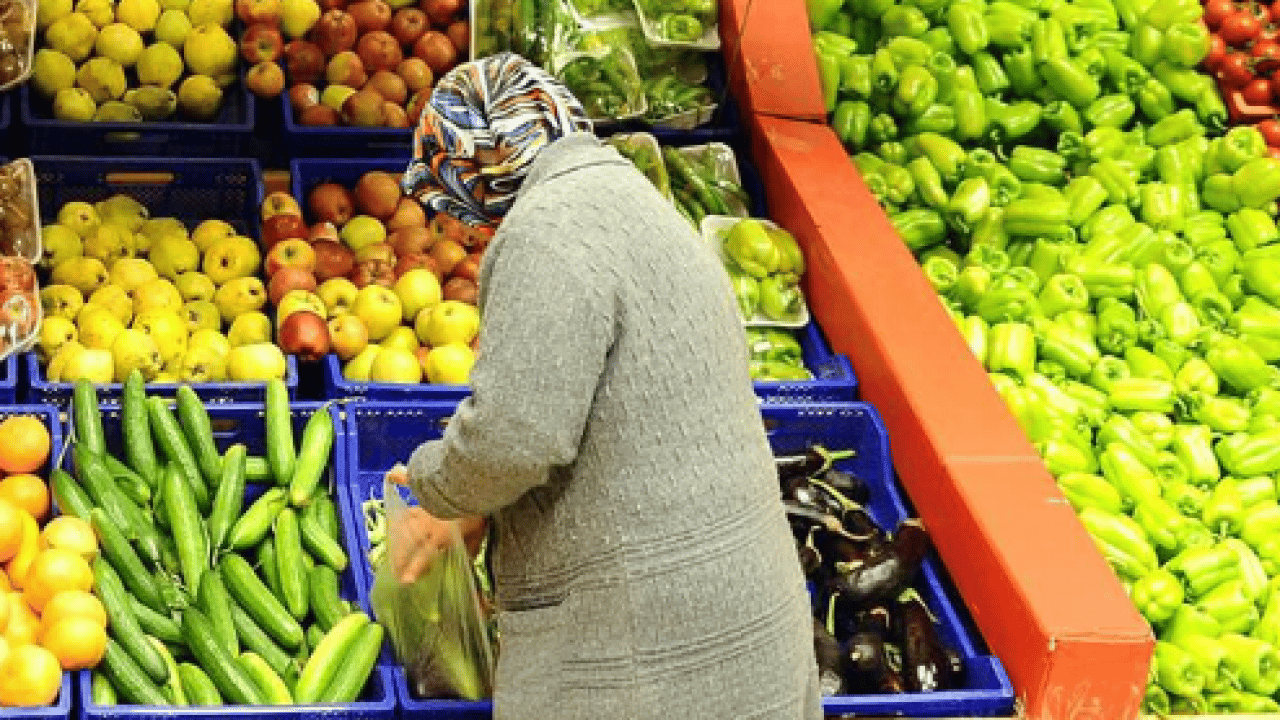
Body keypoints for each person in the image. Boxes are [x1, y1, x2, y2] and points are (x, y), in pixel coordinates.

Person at [391, 52, 822, 720]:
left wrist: (437, 487)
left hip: (650, 660)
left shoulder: (548, 229)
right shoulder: (635, 203)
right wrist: (484, 504)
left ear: (479, 166)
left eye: (455, 196)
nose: (467, 228)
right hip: (745, 631)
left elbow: (513, 437)